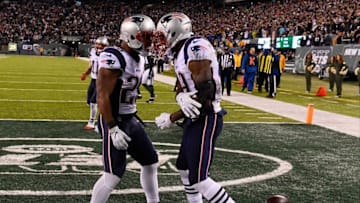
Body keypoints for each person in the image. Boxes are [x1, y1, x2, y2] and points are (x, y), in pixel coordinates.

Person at [153, 12, 234, 203]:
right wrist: (180, 95)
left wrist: (173, 116)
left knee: (199, 179)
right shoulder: (182, 50)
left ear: (175, 32)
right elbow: (183, 84)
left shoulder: (195, 47)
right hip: (196, 118)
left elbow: (206, 90)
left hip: (206, 117)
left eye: (163, 34)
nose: (161, 40)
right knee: (184, 168)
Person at [90, 15, 159, 203]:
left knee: (151, 162)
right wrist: (111, 127)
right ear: (131, 36)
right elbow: (102, 95)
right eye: (145, 37)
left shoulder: (139, 58)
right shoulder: (114, 56)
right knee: (113, 175)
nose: (148, 41)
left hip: (130, 118)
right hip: (115, 120)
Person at [81, 36, 109, 130]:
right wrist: (86, 73)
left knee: (93, 101)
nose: (98, 46)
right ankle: (103, 119)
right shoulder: (93, 51)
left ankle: (92, 122)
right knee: (89, 101)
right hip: (93, 79)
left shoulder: (106, 55)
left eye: (100, 45)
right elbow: (92, 65)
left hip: (101, 81)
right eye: (97, 44)